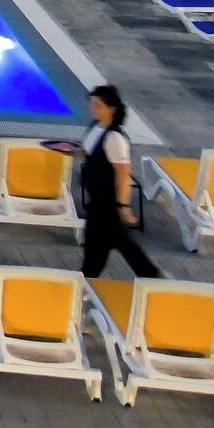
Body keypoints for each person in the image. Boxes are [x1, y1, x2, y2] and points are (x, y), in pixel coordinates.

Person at [72, 83, 162, 280]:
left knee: (115, 243)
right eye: (92, 104)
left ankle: (152, 277)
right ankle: (89, 277)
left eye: (98, 105)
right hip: (97, 200)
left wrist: (123, 205)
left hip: (107, 202)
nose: (93, 109)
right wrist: (72, 151)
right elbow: (90, 152)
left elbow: (123, 173)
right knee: (108, 244)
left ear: (111, 109)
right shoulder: (96, 127)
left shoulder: (114, 138)